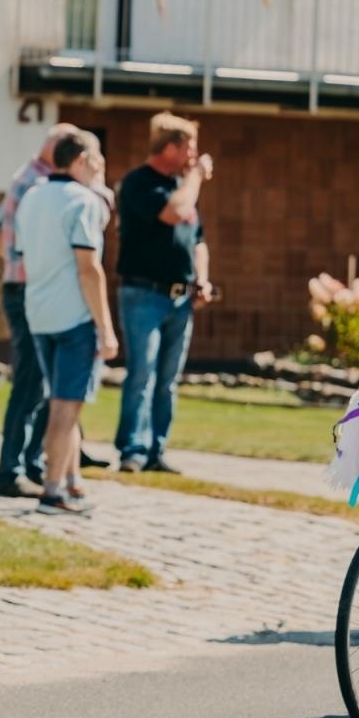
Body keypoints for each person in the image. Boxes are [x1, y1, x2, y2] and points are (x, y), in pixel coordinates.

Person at [14, 129, 118, 515]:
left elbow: (23, 253)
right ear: (79, 161)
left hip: (39, 313)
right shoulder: (82, 201)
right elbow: (89, 269)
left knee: (63, 403)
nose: (97, 166)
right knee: (65, 408)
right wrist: (105, 328)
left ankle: (73, 482)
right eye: (93, 159)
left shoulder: (32, 197)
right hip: (74, 317)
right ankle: (52, 492)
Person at [0, 123, 77, 498]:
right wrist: (21, 262)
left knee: (40, 383)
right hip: (26, 290)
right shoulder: (36, 184)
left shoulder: (31, 179)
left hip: (27, 286)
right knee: (30, 383)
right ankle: (11, 472)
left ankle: (30, 464)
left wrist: (14, 259)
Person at [114, 112, 215, 474]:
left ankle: (156, 449)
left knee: (168, 381)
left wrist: (201, 279)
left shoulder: (182, 185)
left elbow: (198, 240)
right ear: (171, 147)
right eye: (190, 147)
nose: (195, 155)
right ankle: (133, 450)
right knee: (142, 373)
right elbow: (175, 213)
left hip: (180, 298)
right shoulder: (140, 183)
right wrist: (196, 176)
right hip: (143, 295)